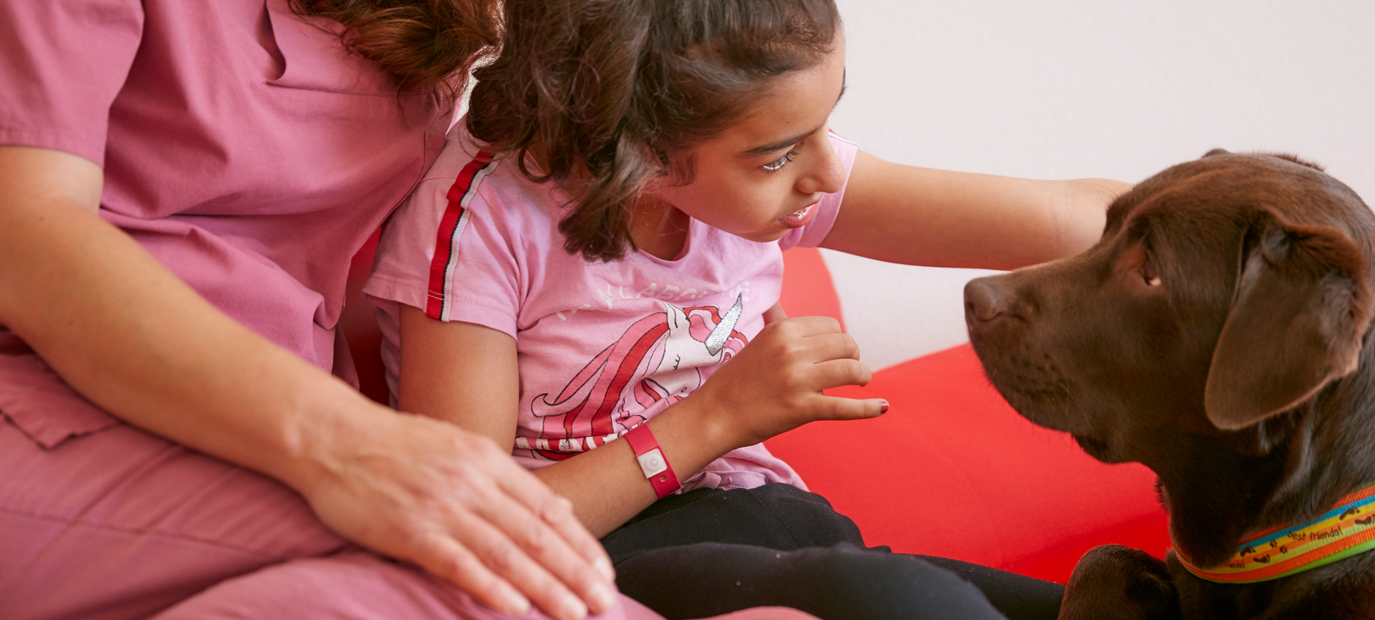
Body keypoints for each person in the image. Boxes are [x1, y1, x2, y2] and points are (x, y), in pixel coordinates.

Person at [362, 1, 1375, 619]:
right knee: (907, 603)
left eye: (828, 125)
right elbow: (469, 529)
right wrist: (711, 420)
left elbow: (1076, 214)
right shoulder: (481, 226)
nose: (823, 173)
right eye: (777, 152)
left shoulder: (771, 176)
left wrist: (1365, 257)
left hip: (781, 527)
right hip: (601, 557)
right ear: (638, 151)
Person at [0, 1, 830, 619]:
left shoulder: (446, 21)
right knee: (490, 583)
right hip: (55, 399)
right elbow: (27, 239)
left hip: (271, 430)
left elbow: (747, 120)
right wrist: (353, 445)